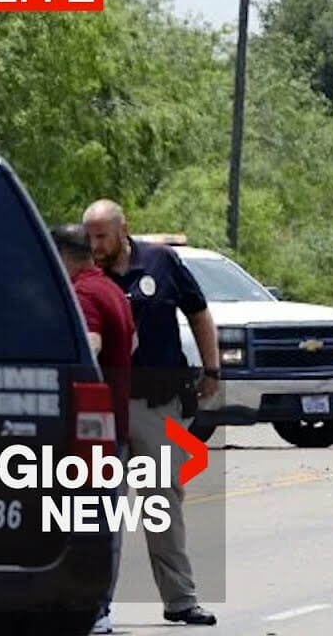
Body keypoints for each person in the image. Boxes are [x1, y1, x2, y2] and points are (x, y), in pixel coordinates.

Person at [82, 200, 219, 626]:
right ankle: (97, 605)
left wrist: (212, 367)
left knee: (162, 502)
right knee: (104, 505)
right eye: (90, 237)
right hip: (104, 406)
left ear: (125, 230)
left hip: (156, 404)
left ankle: (181, 600)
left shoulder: (161, 261)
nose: (96, 245)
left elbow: (198, 312)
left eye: (102, 235)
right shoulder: (86, 277)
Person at [50, 224, 137, 634]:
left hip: (91, 427)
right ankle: (100, 607)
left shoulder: (83, 294)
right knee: (104, 519)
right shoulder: (110, 289)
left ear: (63, 254)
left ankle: (93, 609)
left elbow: (92, 346)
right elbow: (132, 344)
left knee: (86, 520)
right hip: (115, 423)